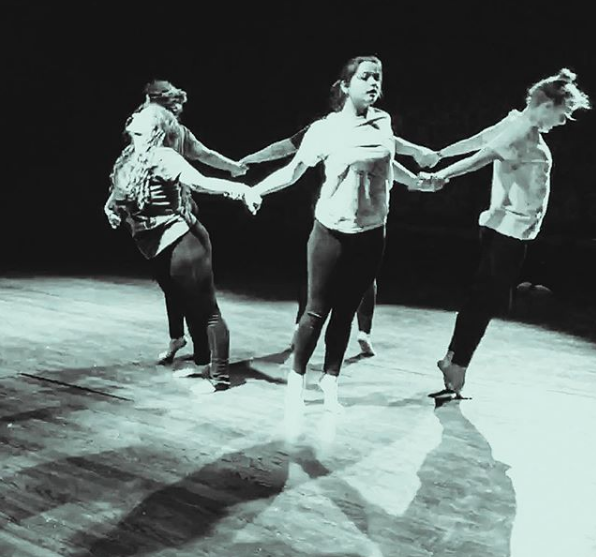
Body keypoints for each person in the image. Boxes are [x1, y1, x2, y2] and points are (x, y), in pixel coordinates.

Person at [247, 55, 444, 413]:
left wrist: (417, 182)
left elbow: (387, 163)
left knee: (346, 312)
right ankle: (297, 380)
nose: (373, 83)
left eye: (378, 77)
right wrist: (256, 190)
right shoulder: (326, 129)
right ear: (345, 85)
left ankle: (331, 380)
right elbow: (293, 170)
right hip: (332, 230)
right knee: (316, 311)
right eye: (366, 77)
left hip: (372, 231)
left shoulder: (383, 122)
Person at [430, 68, 590, 396]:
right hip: (509, 233)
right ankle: (457, 365)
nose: (563, 122)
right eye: (563, 115)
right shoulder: (522, 133)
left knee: (482, 298)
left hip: (505, 229)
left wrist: (441, 155)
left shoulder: (515, 123)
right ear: (547, 105)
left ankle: (453, 358)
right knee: (486, 302)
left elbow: (479, 141)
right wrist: (441, 174)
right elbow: (480, 156)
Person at [240, 117, 440, 356]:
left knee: (333, 278)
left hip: (353, 215)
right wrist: (252, 164)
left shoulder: (361, 128)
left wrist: (416, 168)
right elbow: (288, 156)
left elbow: (284, 149)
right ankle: (352, 333)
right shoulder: (327, 129)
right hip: (339, 214)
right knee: (347, 278)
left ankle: (335, 333)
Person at [105, 103, 258, 393]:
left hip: (184, 241)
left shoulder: (164, 157)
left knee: (206, 310)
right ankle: (202, 364)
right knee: (186, 305)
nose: (136, 115)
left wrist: (240, 189)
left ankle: (219, 378)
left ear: (156, 129)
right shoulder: (128, 156)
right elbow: (118, 192)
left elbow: (199, 183)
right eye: (137, 112)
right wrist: (110, 209)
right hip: (154, 247)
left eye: (145, 115)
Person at [139, 80, 248, 364]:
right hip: (152, 226)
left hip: (176, 220)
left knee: (191, 293)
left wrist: (234, 174)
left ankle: (205, 359)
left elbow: (202, 163)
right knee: (170, 286)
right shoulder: (143, 134)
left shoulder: (171, 138)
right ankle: (178, 337)